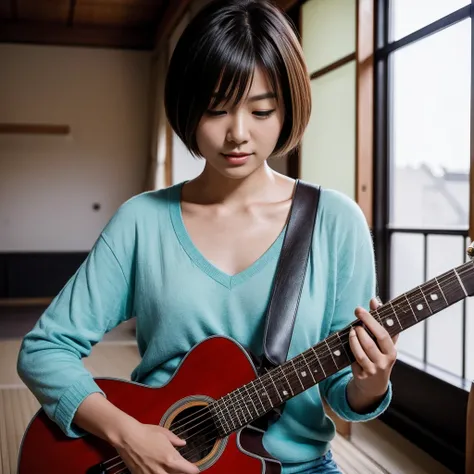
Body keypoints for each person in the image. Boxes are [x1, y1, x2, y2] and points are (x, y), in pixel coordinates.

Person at [17, 0, 398, 473]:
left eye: (262, 111)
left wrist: (372, 380)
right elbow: (44, 350)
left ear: (288, 109)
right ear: (188, 108)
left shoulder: (336, 221)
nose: (238, 134)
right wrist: (128, 434)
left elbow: (342, 397)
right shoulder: (143, 222)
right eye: (217, 110)